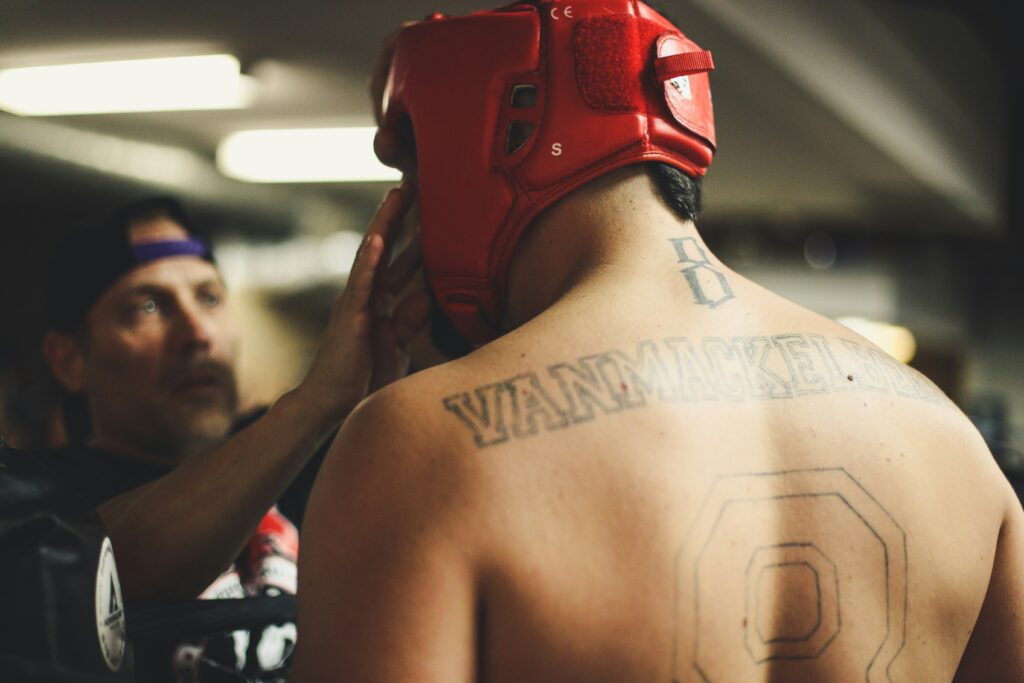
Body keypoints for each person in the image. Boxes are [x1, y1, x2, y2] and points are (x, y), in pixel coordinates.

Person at [291, 1, 1024, 681]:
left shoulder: (419, 446)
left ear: (484, 141)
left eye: (414, 171)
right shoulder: (953, 444)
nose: (413, 209)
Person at [38, 191, 428, 680]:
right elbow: (112, 570)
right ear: (69, 361)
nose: (197, 332)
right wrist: (316, 401)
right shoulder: (41, 507)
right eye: (147, 306)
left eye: (209, 297)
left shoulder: (302, 454)